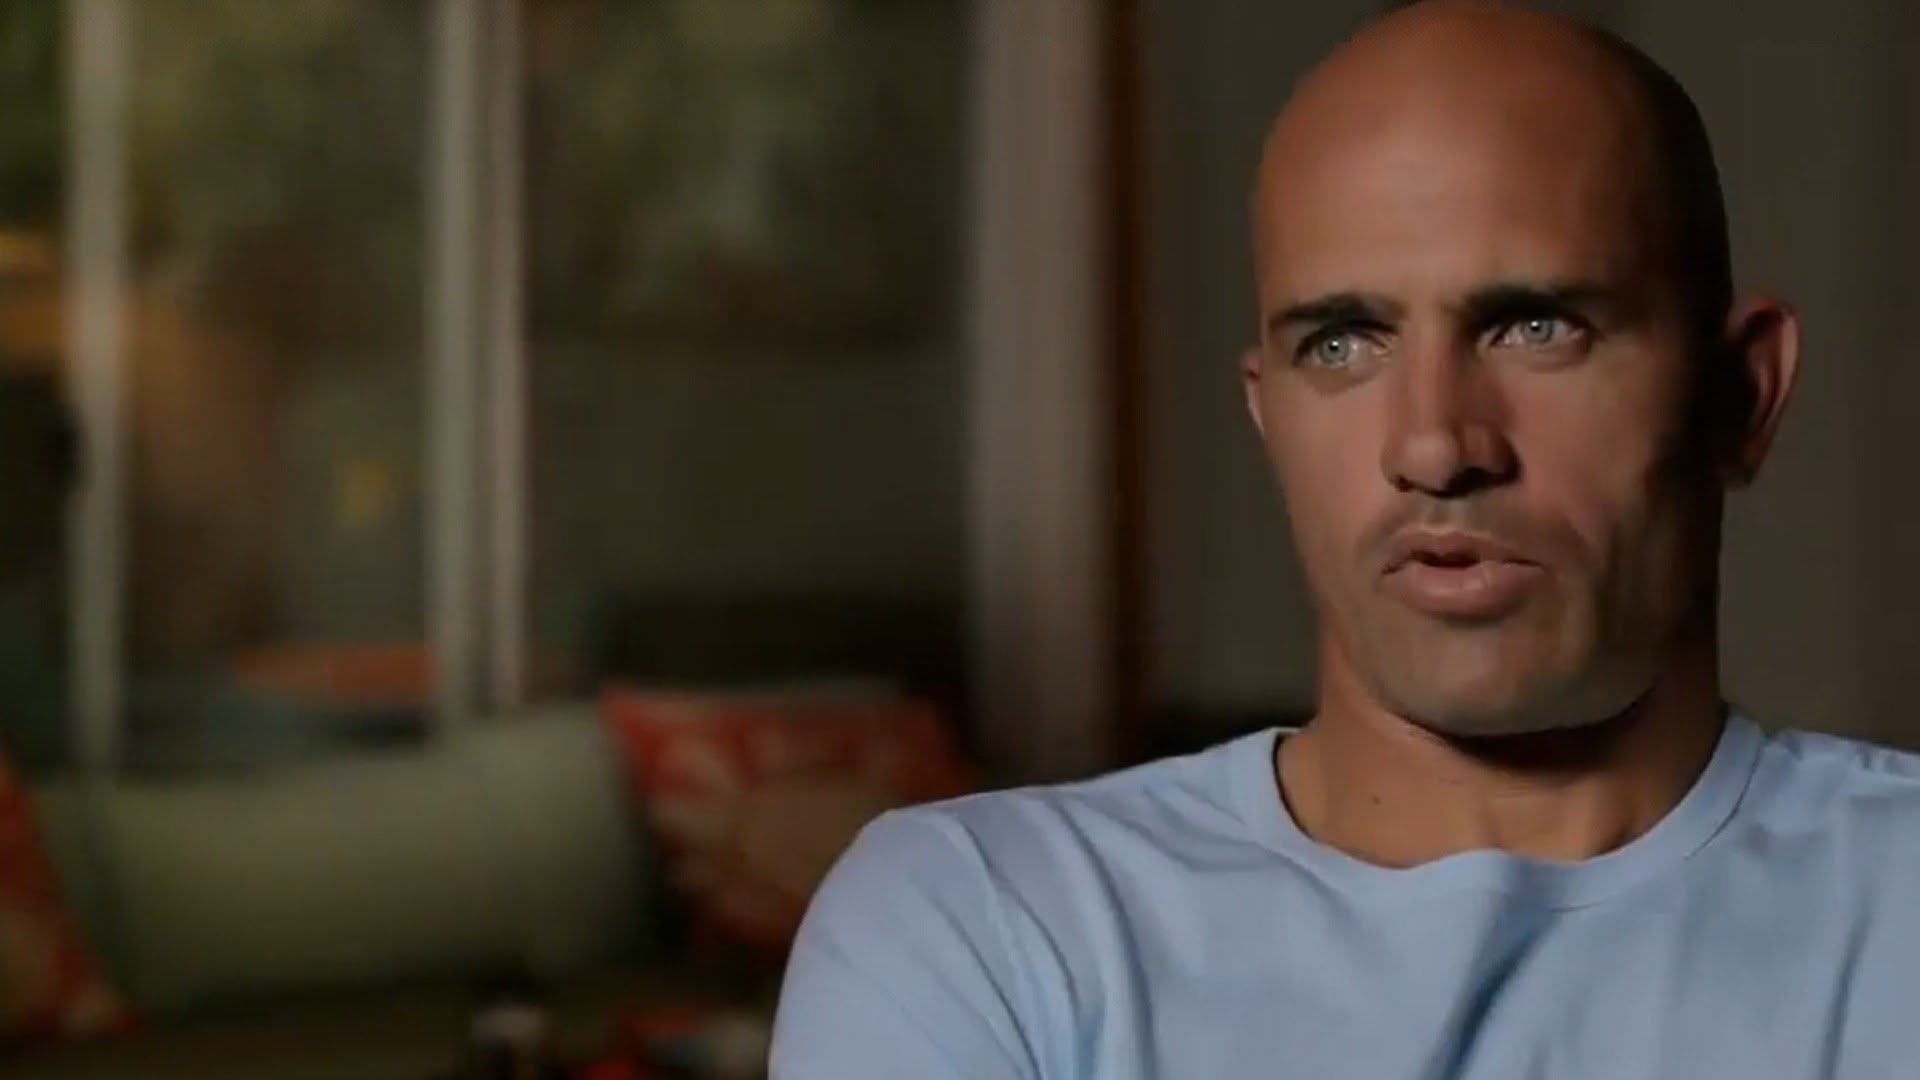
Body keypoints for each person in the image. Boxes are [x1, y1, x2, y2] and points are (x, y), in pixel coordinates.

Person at [770, 2, 1920, 1076]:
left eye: (1536, 326)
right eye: (1342, 344)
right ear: (1268, 414)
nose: (1435, 445)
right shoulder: (995, 930)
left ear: (1741, 394)